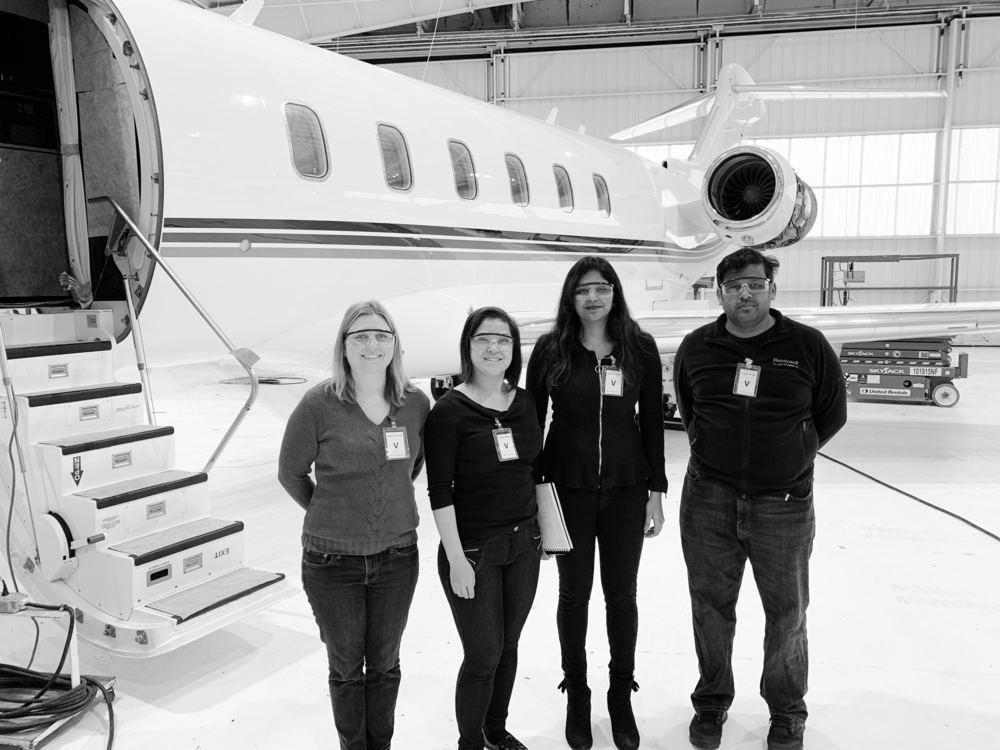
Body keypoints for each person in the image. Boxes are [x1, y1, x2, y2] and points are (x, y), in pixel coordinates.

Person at [672, 248, 848, 750]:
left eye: (753, 283)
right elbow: (689, 409)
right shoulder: (698, 346)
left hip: (784, 502)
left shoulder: (806, 344)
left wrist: (795, 454)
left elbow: (830, 414)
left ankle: (787, 711)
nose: (743, 293)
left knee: (787, 612)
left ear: (772, 287)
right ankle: (711, 704)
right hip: (710, 497)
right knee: (710, 607)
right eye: (732, 285)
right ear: (720, 292)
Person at [526, 257, 667, 750]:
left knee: (622, 596)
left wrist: (657, 491)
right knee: (573, 595)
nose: (592, 297)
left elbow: (652, 422)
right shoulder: (549, 350)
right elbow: (530, 424)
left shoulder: (639, 347)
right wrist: (536, 494)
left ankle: (620, 691)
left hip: (628, 488)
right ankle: (577, 691)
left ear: (614, 293)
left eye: (601, 288)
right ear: (570, 296)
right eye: (582, 289)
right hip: (569, 490)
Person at [278, 300, 430, 750]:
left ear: (395, 344)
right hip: (331, 562)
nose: (371, 344)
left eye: (382, 335)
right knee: (346, 668)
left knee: (385, 664)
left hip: (398, 556)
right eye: (360, 335)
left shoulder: (416, 403)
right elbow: (291, 472)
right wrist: (329, 511)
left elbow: (413, 465)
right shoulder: (318, 405)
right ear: (344, 346)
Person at [425, 306, 545, 750]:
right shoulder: (449, 412)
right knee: (482, 656)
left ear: (514, 350)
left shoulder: (525, 401)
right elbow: (440, 491)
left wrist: (545, 534)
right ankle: (470, 742)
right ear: (468, 347)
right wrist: (456, 559)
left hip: (524, 545)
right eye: (483, 339)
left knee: (508, 646)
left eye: (504, 340)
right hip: (472, 550)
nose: (494, 348)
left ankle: (496, 730)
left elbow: (533, 471)